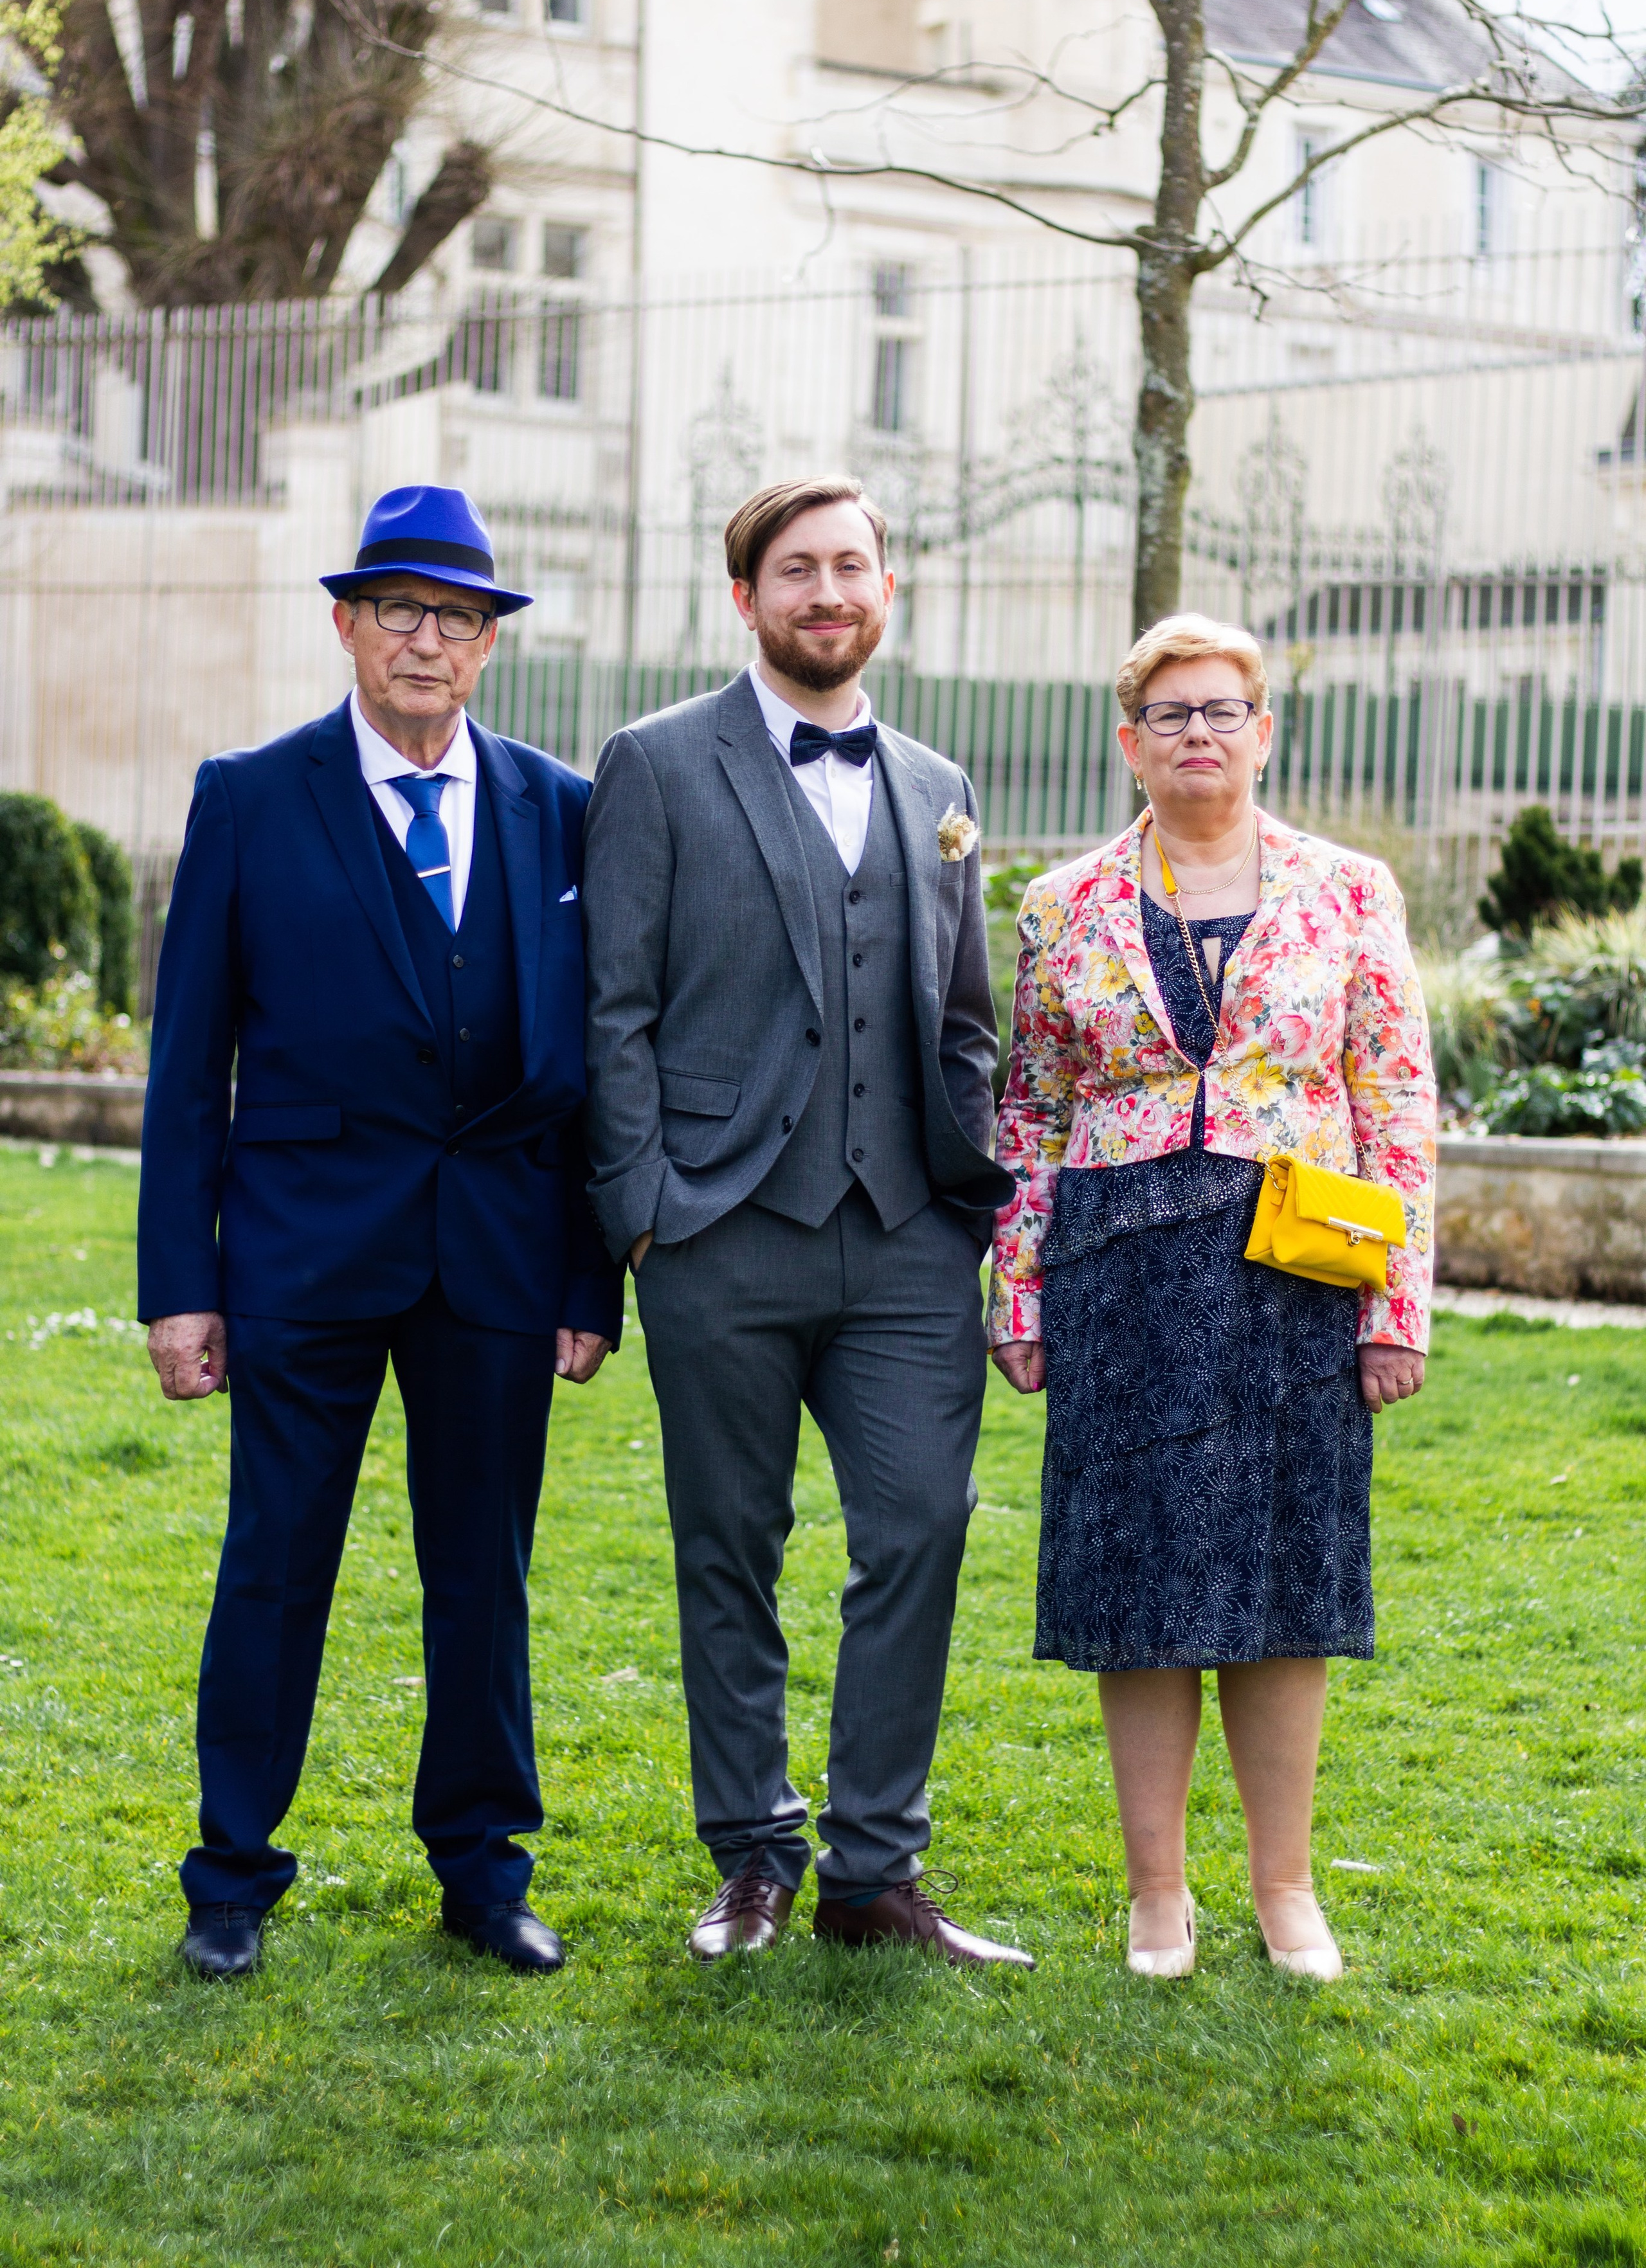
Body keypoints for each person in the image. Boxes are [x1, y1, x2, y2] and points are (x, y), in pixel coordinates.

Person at [138, 484, 622, 1983]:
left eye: (456, 618)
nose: (427, 640)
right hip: (301, 1251)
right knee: (276, 1561)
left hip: (498, 1253)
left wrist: (586, 1274)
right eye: (400, 611)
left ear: (488, 645)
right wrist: (179, 1285)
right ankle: (231, 1875)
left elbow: (588, 1068)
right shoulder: (249, 796)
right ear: (348, 627)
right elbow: (188, 1064)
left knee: (485, 1575)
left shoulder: (559, 806)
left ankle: (482, 1872)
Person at [581, 476, 1031, 1970]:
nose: (826, 592)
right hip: (719, 1230)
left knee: (919, 1529)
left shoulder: (936, 781)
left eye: (850, 566)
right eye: (795, 570)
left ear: (885, 588)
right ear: (745, 596)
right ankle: (753, 1858)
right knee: (730, 1547)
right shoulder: (654, 762)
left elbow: (963, 1018)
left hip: (906, 1234)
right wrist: (644, 1214)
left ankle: (872, 1872)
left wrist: (962, 1191)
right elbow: (615, 1008)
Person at [990, 613, 1435, 1982]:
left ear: (1263, 731)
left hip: (1295, 1273)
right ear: (1129, 741)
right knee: (1138, 1579)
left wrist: (1396, 1306)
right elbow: (1031, 1108)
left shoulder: (1349, 890)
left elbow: (1395, 1104)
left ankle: (1286, 1889)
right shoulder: (1060, 904)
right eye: (1170, 713)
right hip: (1120, 1270)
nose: (1198, 732)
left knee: (1286, 1580)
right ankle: (1156, 1895)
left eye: (1221, 710)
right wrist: (1018, 1291)